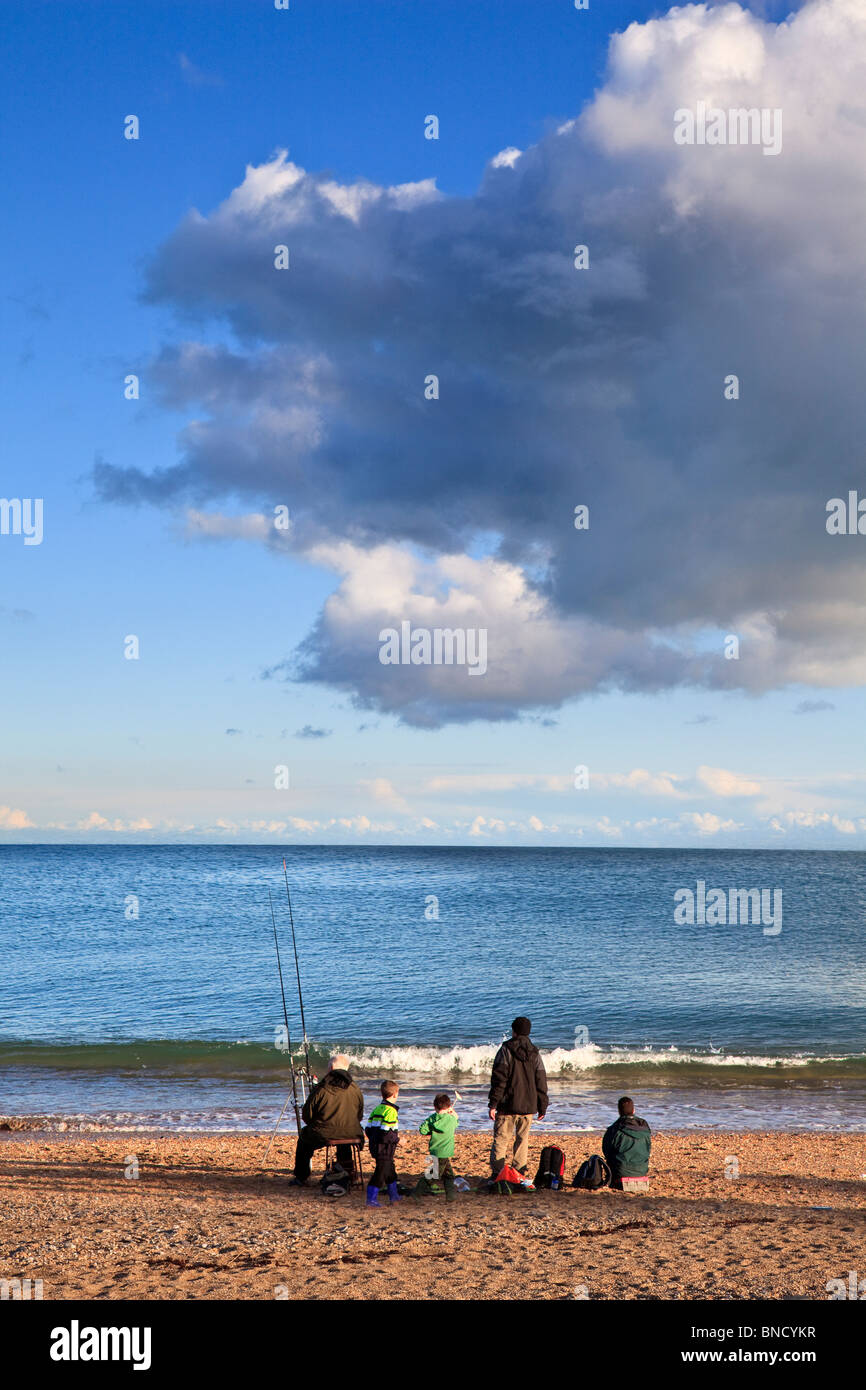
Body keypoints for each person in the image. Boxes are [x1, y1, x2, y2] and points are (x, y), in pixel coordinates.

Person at [289, 1054, 364, 1186]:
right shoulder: (355, 1088)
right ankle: (347, 1171)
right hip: (353, 1132)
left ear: (332, 1067)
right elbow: (359, 1115)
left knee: (304, 1140)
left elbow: (307, 1114)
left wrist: (317, 1123)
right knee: (344, 1136)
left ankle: (301, 1176)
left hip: (324, 1133)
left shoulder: (322, 1088)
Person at [488, 1016, 548, 1178]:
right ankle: (519, 1173)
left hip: (507, 1105)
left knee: (501, 1140)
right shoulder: (535, 1052)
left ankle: (498, 1174)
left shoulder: (506, 1050)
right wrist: (543, 1105)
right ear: (528, 1032)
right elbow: (541, 1080)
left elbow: (499, 1079)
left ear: (514, 1031)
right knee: (522, 1141)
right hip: (528, 1106)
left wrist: (493, 1103)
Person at [416, 1092, 459, 1200]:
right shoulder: (451, 1119)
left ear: (435, 1107)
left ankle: (451, 1196)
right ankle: (416, 1193)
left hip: (435, 1150)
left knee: (448, 1174)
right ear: (449, 1106)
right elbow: (456, 1122)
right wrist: (453, 1113)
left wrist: (432, 1129)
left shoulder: (432, 1118)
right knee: (434, 1174)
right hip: (445, 1151)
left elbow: (422, 1130)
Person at [365, 1080, 401, 1207]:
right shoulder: (391, 1111)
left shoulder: (377, 1109)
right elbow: (387, 1134)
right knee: (380, 1173)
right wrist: (398, 1140)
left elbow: (368, 1129)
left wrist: (374, 1140)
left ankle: (394, 1195)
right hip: (385, 1148)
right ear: (395, 1094)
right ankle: (371, 1199)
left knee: (390, 1170)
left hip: (375, 1146)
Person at [602, 1096, 651, 1189]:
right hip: (642, 1171)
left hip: (621, 1173)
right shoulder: (644, 1128)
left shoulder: (615, 1129)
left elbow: (606, 1151)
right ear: (634, 1110)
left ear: (619, 1112)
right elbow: (648, 1150)